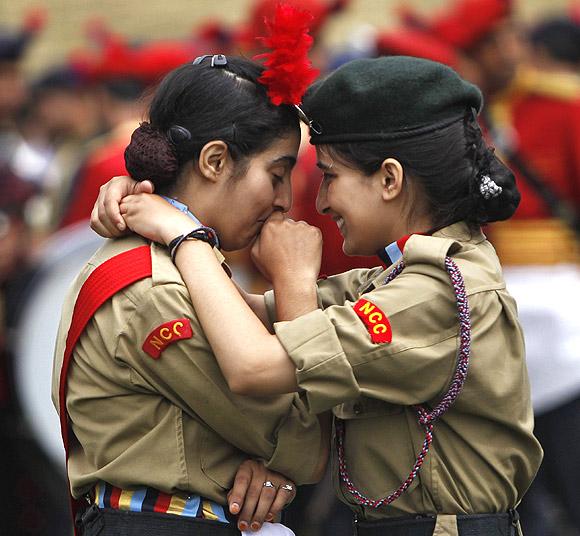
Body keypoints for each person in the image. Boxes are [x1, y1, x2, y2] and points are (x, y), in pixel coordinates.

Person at [94, 56, 543, 536]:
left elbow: (255, 364)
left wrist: (187, 235)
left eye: (330, 176)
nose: (320, 201)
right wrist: (155, 192)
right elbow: (239, 315)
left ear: (390, 179)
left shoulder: (437, 293)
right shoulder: (399, 278)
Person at [52, 50, 330, 536]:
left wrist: (268, 469)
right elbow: (303, 441)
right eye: (277, 174)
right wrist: (295, 284)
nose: (285, 199)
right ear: (216, 160)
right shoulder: (157, 287)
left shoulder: (173, 264)